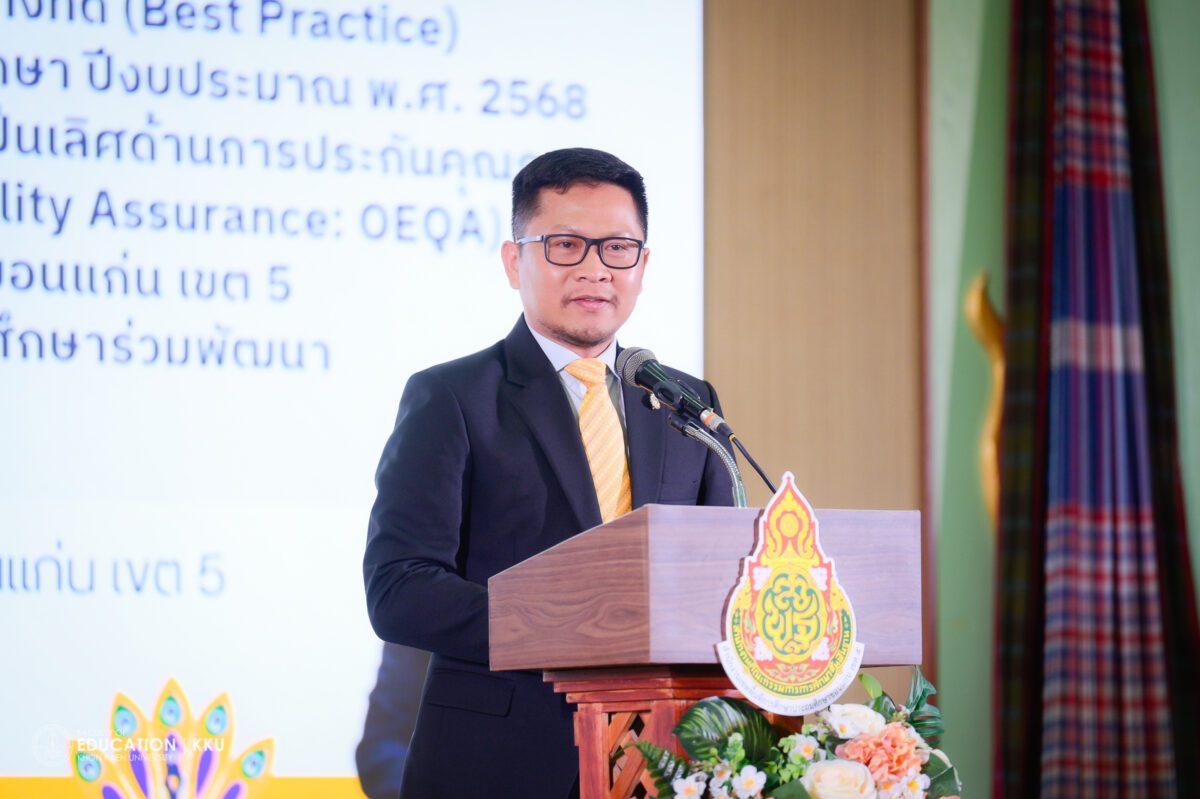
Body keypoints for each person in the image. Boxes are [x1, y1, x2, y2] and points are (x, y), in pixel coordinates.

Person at [363, 147, 734, 798]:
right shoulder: (451, 397)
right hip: (497, 764)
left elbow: (719, 581)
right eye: (565, 245)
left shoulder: (685, 402)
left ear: (643, 265)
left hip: (662, 763)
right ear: (515, 261)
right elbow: (400, 589)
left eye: (617, 248)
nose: (595, 268)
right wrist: (571, 624)